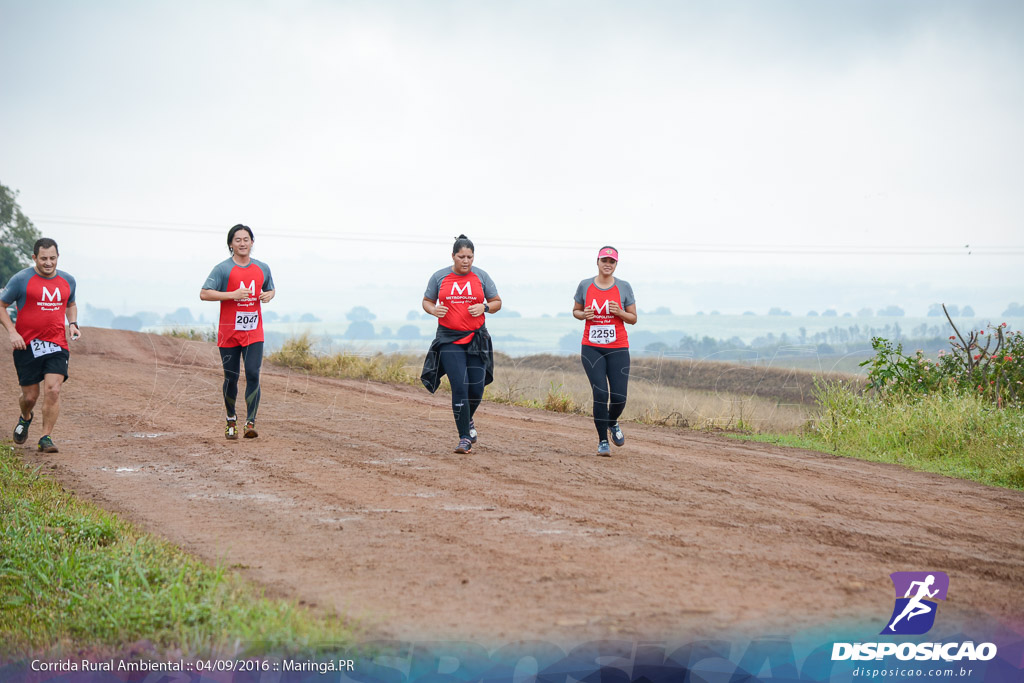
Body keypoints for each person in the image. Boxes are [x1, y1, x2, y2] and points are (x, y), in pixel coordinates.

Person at [420, 235, 501, 454]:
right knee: (460, 387)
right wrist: (433, 310)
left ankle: (468, 419)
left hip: (476, 339)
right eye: (461, 256)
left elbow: (497, 303)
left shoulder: (482, 276)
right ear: (453, 256)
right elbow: (427, 301)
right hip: (449, 339)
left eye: (470, 257)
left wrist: (484, 307)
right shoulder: (439, 277)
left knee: (476, 389)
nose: (466, 261)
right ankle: (464, 437)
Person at [0, 238, 80, 453]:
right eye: (43, 258)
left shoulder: (68, 280)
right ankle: (25, 417)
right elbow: (1, 304)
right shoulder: (21, 279)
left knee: (53, 389)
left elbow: (71, 303)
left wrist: (72, 323)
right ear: (34, 257)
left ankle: (46, 437)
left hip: (56, 344)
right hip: (26, 346)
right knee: (30, 397)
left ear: (57, 258)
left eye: (52, 258)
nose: (48, 263)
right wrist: (12, 332)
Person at [200, 224, 275, 439]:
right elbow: (204, 294)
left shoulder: (262, 267)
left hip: (253, 332)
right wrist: (232, 294)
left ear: (252, 242)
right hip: (229, 333)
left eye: (246, 239)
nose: (242, 243)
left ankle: (250, 423)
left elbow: (270, 288)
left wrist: (270, 295)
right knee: (231, 378)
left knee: (253, 374)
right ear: (230, 244)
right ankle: (231, 419)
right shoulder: (222, 269)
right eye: (237, 240)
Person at [572, 246, 637, 456]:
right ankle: (602, 441)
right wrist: (584, 315)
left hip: (618, 347)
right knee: (600, 393)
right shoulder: (585, 285)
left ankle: (612, 422)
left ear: (616, 264)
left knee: (619, 397)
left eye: (612, 261)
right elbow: (576, 311)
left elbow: (633, 318)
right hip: (591, 347)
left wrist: (620, 312)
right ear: (597, 262)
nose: (607, 264)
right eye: (604, 260)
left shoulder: (624, 287)